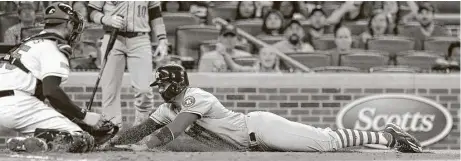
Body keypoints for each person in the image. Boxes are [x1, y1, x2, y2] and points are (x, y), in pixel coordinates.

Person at [102, 64, 423, 153]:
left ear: (174, 83)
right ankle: (380, 141)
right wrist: (112, 144)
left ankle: (386, 137)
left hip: (259, 128)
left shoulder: (193, 96)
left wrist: (142, 148)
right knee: (323, 141)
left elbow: (173, 131)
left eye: (161, 84)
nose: (158, 90)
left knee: (324, 142)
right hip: (251, 141)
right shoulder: (169, 106)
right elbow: (144, 128)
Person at [0, 2, 116, 153]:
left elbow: (48, 97)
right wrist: (85, 116)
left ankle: (36, 142)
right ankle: (31, 144)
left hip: (13, 103)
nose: (75, 30)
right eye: (73, 25)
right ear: (68, 24)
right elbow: (52, 91)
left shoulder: (29, 42)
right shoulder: (53, 46)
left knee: (61, 132)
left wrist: (78, 118)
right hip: (20, 106)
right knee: (81, 139)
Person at [88, 1, 169, 128]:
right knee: (110, 91)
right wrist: (106, 19)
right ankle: (111, 131)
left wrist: (162, 38)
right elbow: (91, 11)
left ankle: (140, 131)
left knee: (144, 89)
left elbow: (155, 14)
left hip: (140, 39)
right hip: (113, 38)